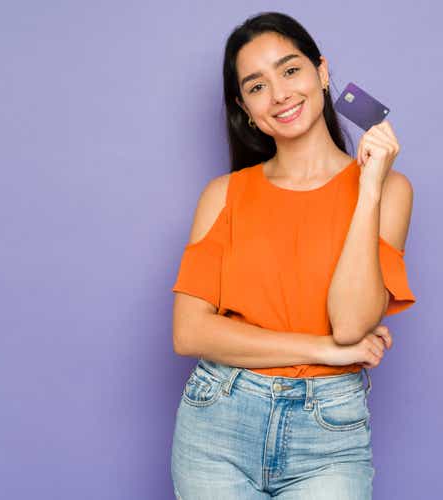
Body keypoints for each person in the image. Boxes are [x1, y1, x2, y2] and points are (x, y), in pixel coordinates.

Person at [169, 11, 417, 499]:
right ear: (244, 106)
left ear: (322, 73)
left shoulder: (391, 191)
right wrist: (321, 349)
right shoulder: (223, 195)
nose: (280, 94)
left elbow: (350, 325)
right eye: (256, 86)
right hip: (218, 422)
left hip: (328, 431)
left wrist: (368, 186)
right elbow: (190, 331)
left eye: (289, 70)